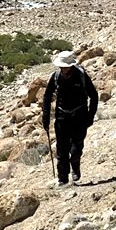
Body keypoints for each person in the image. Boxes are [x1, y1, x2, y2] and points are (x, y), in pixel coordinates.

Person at [42, 50, 98, 186]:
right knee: (61, 150)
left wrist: (90, 116)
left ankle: (75, 167)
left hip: (80, 117)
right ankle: (63, 178)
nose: (63, 69)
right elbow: (47, 96)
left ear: (71, 65)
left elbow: (94, 95)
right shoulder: (55, 77)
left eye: (65, 66)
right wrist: (45, 116)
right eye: (61, 66)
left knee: (76, 148)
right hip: (62, 117)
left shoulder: (81, 75)